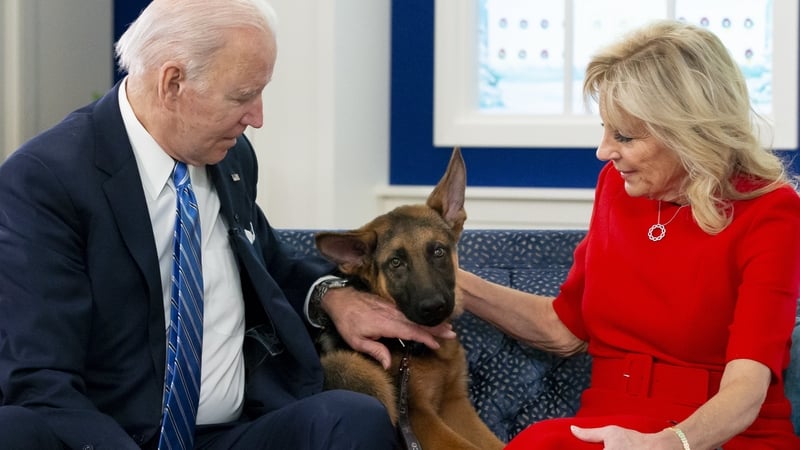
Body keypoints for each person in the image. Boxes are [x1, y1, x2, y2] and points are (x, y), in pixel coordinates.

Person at [0, 0, 453, 449]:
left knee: (351, 417)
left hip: (234, 433)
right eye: (242, 96)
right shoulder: (47, 180)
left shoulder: (230, 157)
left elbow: (271, 262)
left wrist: (333, 297)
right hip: (113, 435)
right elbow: (41, 379)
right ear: (173, 82)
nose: (257, 117)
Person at [457, 20, 800, 449]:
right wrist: (451, 282)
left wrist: (667, 443)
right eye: (604, 129)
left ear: (687, 132)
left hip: (719, 434)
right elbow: (566, 327)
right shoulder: (615, 188)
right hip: (605, 425)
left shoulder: (772, 210)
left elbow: (747, 390)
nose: (604, 150)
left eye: (623, 136)